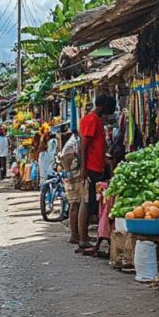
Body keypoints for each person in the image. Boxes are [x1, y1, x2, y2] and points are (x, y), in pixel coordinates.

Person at [77, 95, 117, 255]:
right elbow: (84, 145)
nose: (108, 116)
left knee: (92, 203)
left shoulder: (96, 120)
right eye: (107, 112)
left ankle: (85, 237)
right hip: (91, 168)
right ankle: (83, 239)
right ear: (102, 107)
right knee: (87, 202)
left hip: (97, 167)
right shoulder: (91, 120)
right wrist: (83, 168)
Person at [59, 131, 86, 245]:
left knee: (75, 204)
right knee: (76, 204)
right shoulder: (77, 140)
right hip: (74, 176)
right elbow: (78, 154)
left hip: (70, 175)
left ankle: (76, 234)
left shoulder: (73, 140)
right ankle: (75, 235)